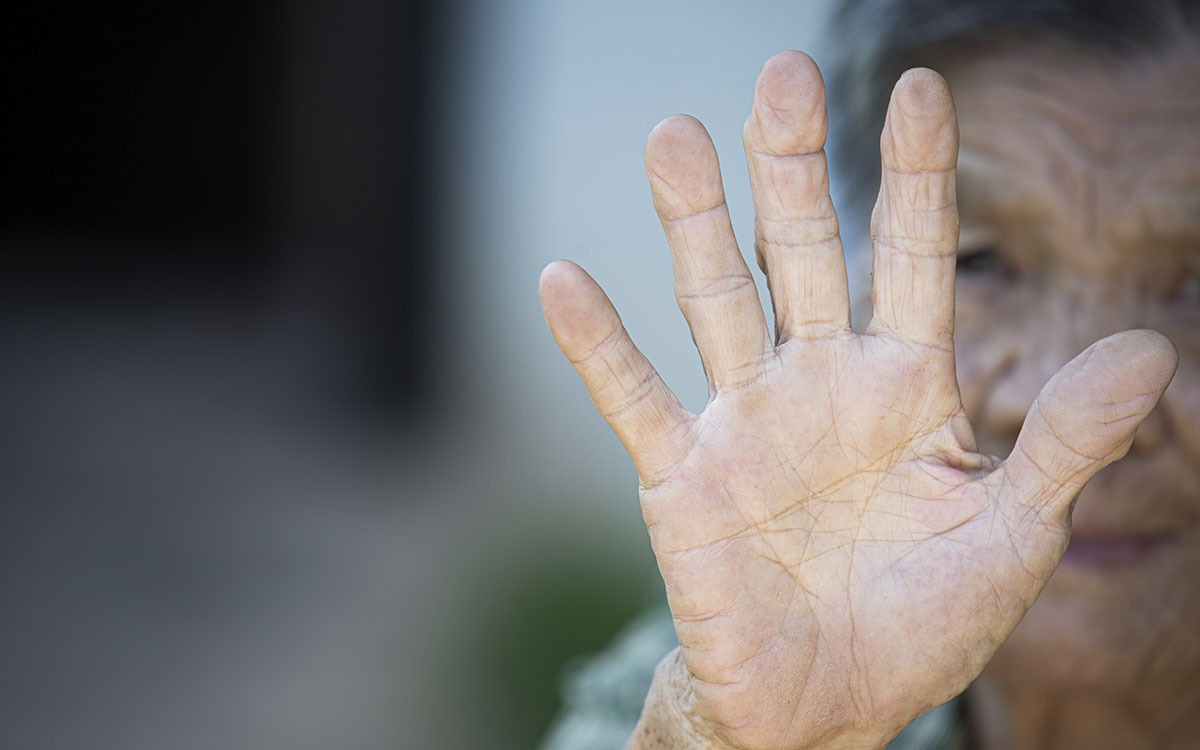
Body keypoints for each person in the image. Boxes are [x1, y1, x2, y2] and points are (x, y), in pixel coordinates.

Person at [537, 1, 1200, 747]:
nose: (1071, 402)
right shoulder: (718, 680)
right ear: (849, 278)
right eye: (980, 262)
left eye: (1193, 288)